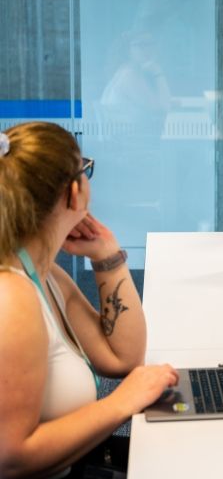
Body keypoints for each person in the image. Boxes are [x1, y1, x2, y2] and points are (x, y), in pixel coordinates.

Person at [0, 122, 178, 477]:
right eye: (86, 170)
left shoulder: (44, 274)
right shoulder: (12, 297)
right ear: (73, 192)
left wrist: (106, 255)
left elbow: (122, 358)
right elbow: (10, 458)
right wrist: (123, 401)